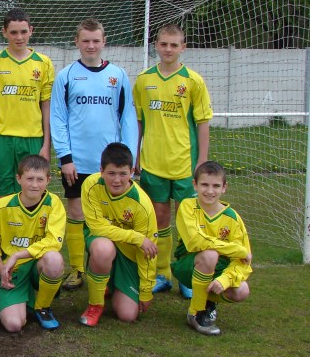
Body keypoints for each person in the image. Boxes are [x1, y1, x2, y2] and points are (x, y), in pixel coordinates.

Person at [51, 18, 137, 292]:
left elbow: (128, 119)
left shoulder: (119, 76)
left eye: (95, 40)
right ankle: (77, 270)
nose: (90, 45)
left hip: (110, 165)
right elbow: (58, 118)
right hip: (77, 162)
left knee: (109, 217)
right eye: (85, 40)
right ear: (76, 42)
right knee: (76, 213)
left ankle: (106, 268)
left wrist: (129, 160)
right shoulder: (65, 76)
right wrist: (65, 157)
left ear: (104, 42)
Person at [133, 23, 213, 299]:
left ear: (183, 47)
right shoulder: (144, 80)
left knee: (188, 221)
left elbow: (202, 124)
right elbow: (139, 123)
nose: (168, 49)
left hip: (184, 164)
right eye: (163, 44)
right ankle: (163, 274)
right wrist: (136, 154)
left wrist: (201, 161)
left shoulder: (193, 81)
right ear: (156, 45)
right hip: (153, 163)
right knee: (159, 219)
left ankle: (186, 276)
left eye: (173, 44)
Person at [0, 8, 55, 286]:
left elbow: (46, 104)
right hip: (1, 138)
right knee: (1, 202)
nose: (19, 37)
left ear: (31, 31)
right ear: (4, 33)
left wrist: (46, 143)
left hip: (33, 139)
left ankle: (29, 259)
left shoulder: (43, 63)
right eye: (13, 32)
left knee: (33, 197)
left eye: (24, 31)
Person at [0, 155, 66, 333]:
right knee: (13, 325)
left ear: (48, 180)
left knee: (54, 259)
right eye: (29, 178)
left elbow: (53, 241)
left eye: (40, 179)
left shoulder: (54, 204)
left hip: (37, 265)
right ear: (19, 179)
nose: (34, 185)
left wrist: (18, 254)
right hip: (13, 271)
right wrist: (1, 270)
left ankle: (42, 307)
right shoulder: (2, 207)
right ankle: (23, 298)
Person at [79, 143, 157, 327]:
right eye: (111, 173)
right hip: (103, 243)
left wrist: (146, 290)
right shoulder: (91, 185)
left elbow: (149, 251)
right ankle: (95, 305)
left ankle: (110, 283)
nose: (117, 180)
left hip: (130, 255)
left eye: (123, 173)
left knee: (127, 315)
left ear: (131, 172)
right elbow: (97, 228)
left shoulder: (142, 205)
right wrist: (136, 238)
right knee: (103, 248)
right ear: (101, 170)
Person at [173, 161, 252, 336]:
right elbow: (195, 242)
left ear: (224, 188)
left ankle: (207, 300)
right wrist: (235, 249)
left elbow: (244, 262)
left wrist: (224, 280)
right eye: (204, 185)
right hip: (188, 267)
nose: (210, 191)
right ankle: (196, 312)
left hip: (218, 271)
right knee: (209, 255)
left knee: (242, 290)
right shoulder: (187, 206)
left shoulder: (232, 218)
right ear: (195, 185)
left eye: (216, 186)